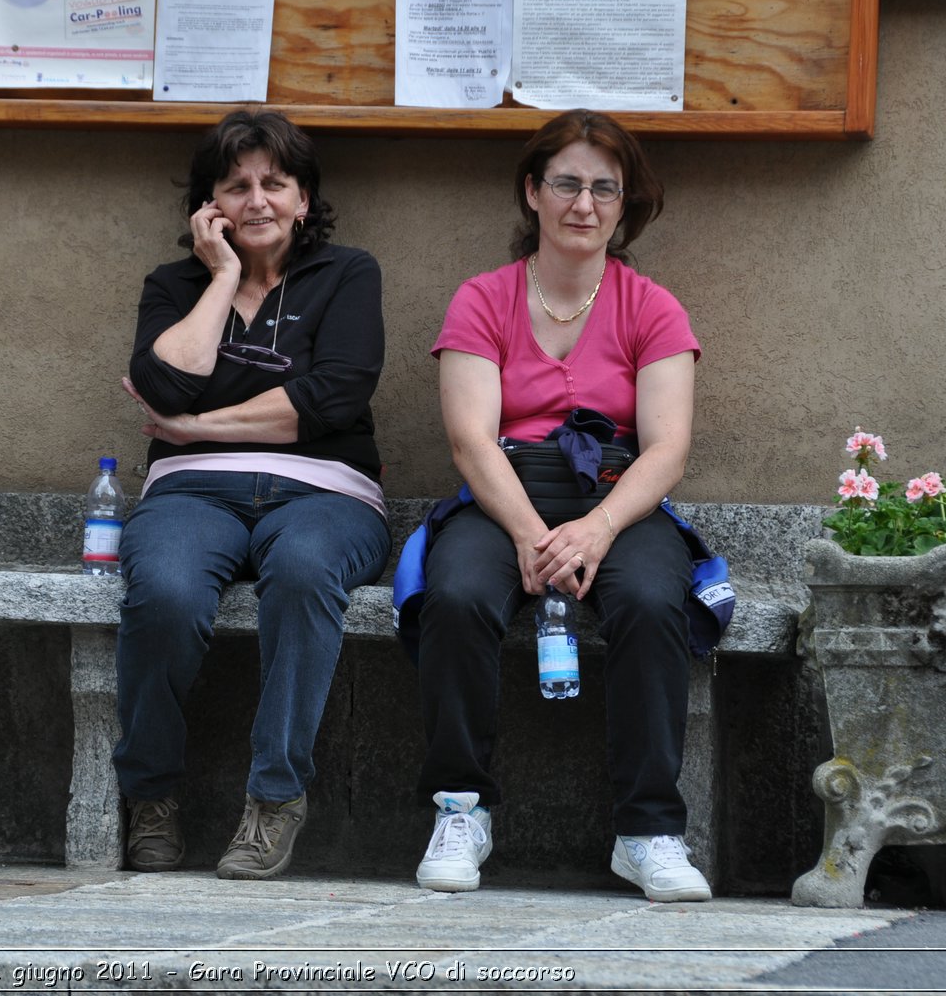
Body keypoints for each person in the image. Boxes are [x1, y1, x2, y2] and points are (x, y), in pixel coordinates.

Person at [413, 109, 711, 901]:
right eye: (568, 183)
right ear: (533, 192)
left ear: (624, 204)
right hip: (505, 492)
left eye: (604, 188)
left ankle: (649, 831)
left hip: (620, 499)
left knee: (652, 599)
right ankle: (461, 810)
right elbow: (473, 442)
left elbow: (668, 447)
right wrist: (528, 532)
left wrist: (598, 527)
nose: (585, 203)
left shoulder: (654, 308)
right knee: (456, 594)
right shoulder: (482, 299)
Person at [114, 110, 390, 880]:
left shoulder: (347, 274)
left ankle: (275, 797)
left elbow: (333, 393)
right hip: (190, 496)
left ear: (306, 200)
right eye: (236, 186)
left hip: (326, 493)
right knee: (164, 591)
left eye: (276, 183)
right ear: (208, 207)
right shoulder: (173, 286)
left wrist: (194, 426)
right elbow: (163, 378)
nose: (257, 200)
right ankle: (152, 794)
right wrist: (225, 276)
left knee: (304, 574)